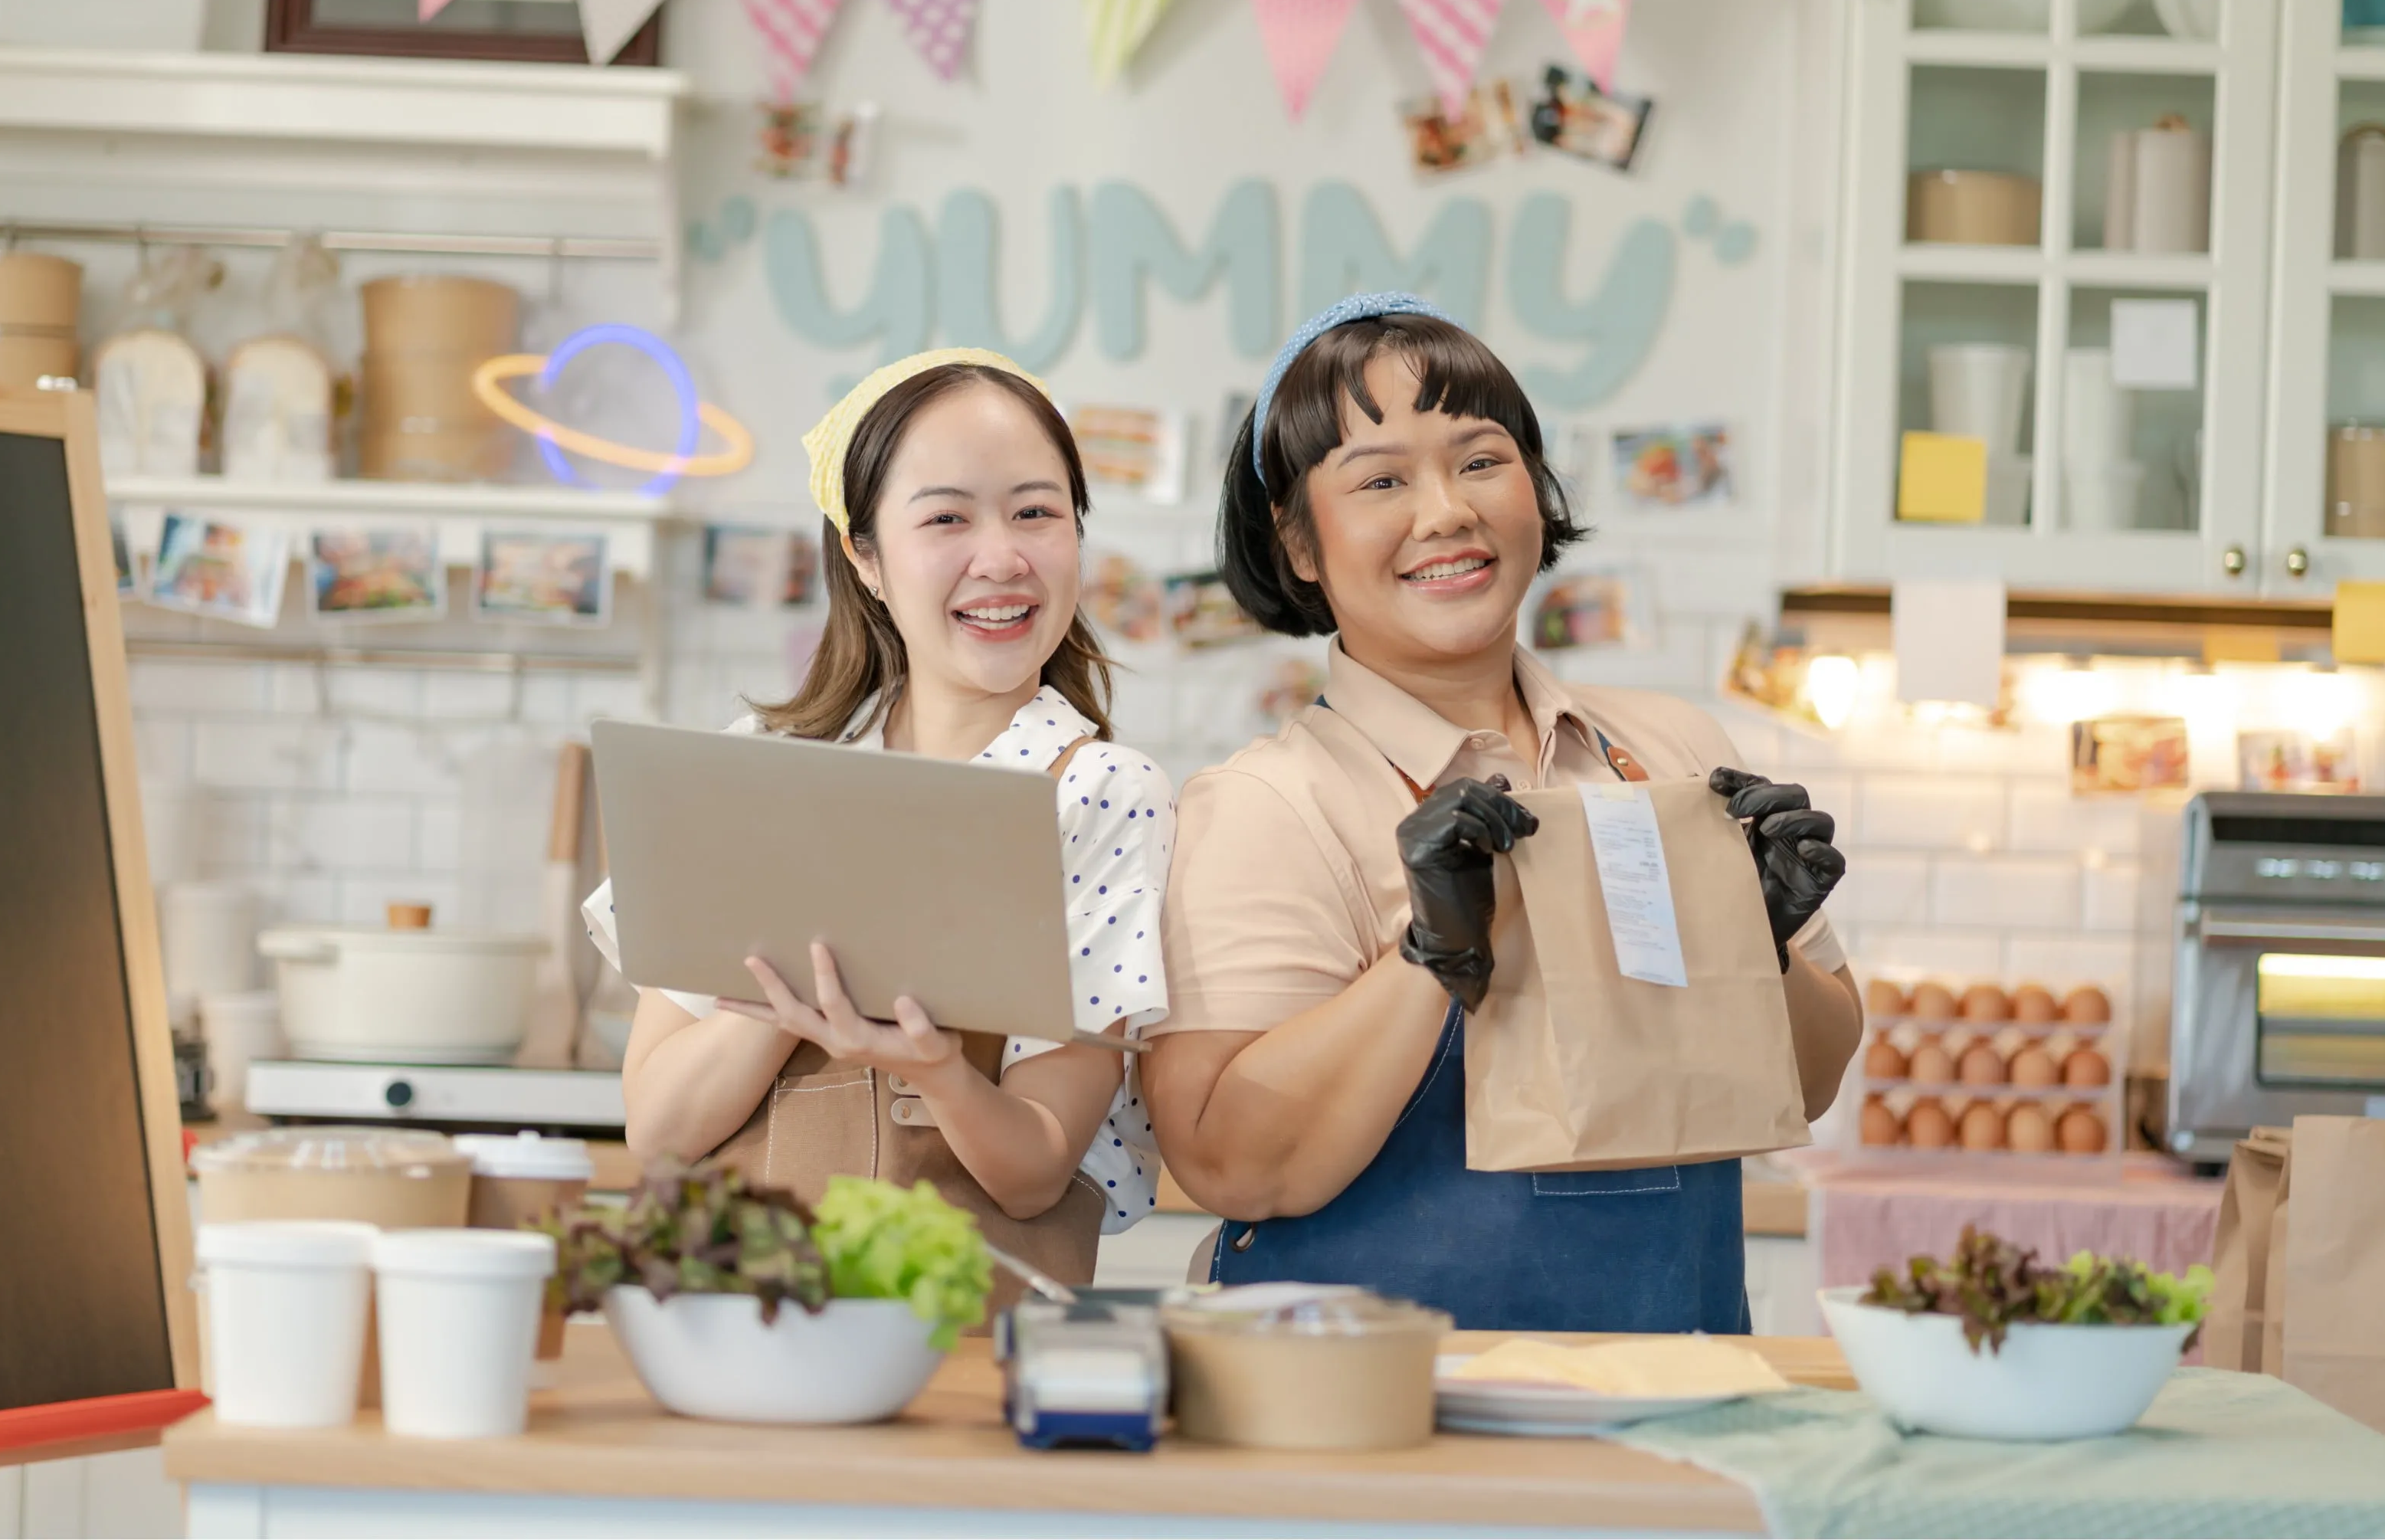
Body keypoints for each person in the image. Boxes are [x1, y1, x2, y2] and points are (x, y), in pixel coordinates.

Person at [1143, 294, 1859, 1332]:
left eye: (1480, 460)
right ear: (1297, 541)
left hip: (1676, 1393)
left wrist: (1762, 940)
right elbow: (1227, 1162)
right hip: (1378, 1426)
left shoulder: (1673, 752)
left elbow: (1810, 1078)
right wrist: (1426, 954)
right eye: (1381, 478)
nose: (1445, 512)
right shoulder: (1266, 806)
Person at [588, 349, 1171, 1289]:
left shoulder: (1100, 793)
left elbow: (1034, 1175)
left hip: (965, 1362)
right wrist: (799, 995)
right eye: (946, 517)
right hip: (738, 1341)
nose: (1002, 558)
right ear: (865, 555)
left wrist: (935, 1068)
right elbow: (657, 1134)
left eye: (1037, 512)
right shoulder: (758, 767)